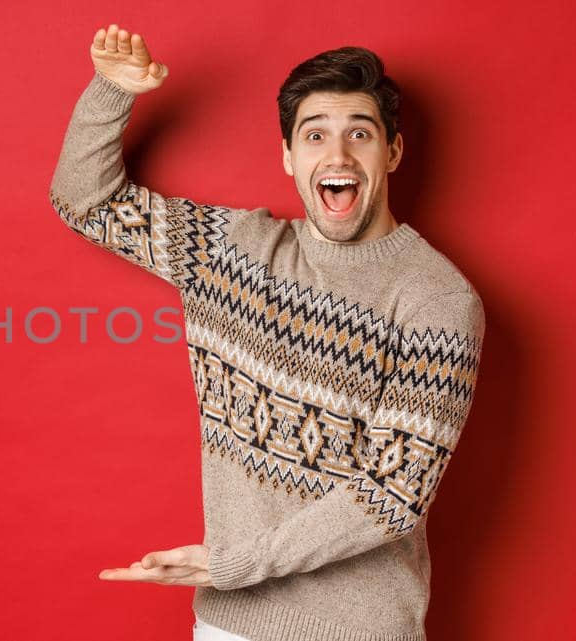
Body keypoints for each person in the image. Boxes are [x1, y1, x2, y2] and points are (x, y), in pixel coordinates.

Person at [48, 25, 486, 641]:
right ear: (288, 156)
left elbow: (394, 494)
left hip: (357, 631)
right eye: (315, 136)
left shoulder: (436, 299)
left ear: (391, 153)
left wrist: (234, 565)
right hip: (228, 627)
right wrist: (111, 91)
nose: (337, 156)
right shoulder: (231, 254)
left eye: (359, 133)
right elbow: (83, 202)